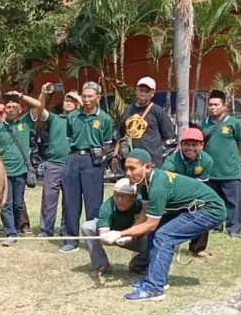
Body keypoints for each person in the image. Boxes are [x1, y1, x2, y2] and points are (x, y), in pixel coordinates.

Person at [118, 149, 227, 301]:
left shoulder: (158, 186)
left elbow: (150, 224)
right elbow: (145, 212)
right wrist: (129, 234)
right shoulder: (144, 182)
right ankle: (157, 279)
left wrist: (119, 234)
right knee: (157, 232)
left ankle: (154, 288)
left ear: (147, 167)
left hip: (210, 210)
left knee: (164, 236)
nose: (128, 173)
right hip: (192, 208)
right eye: (126, 168)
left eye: (132, 168)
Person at [61, 81, 113, 253]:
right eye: (84, 96)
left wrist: (99, 156)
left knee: (93, 203)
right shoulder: (73, 116)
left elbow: (107, 144)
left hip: (93, 162)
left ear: (98, 97)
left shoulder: (104, 118)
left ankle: (93, 239)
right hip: (74, 158)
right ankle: (71, 240)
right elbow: (69, 138)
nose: (87, 99)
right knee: (70, 201)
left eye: (90, 96)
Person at [0, 91, 44, 246]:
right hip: (3, 171)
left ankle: (18, 227)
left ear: (20, 110)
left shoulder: (25, 123)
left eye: (14, 106)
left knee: (18, 203)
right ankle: (11, 232)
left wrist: (21, 96)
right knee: (6, 203)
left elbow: (38, 105)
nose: (10, 109)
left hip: (21, 171)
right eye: (8, 106)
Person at [32, 84, 78, 238]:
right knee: (48, 199)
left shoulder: (81, 120)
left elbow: (90, 111)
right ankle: (46, 230)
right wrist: (44, 93)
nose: (69, 102)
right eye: (67, 100)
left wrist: (79, 100)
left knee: (69, 201)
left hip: (72, 164)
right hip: (53, 164)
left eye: (73, 100)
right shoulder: (55, 118)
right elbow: (39, 110)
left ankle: (66, 230)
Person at [199, 89, 241, 239]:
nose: (212, 107)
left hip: (229, 170)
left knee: (233, 202)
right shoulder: (204, 123)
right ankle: (215, 226)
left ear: (224, 105)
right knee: (213, 201)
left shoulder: (234, 122)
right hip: (209, 171)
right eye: (210, 105)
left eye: (216, 105)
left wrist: (235, 159)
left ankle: (234, 229)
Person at [162, 127, 215, 258]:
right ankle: (165, 243)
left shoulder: (207, 160)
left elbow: (202, 185)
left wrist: (193, 200)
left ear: (202, 145)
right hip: (173, 195)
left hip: (194, 193)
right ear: (180, 145)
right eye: (186, 144)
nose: (190, 148)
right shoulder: (171, 162)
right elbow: (166, 185)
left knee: (205, 210)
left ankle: (198, 248)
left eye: (194, 144)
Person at [80, 178, 148, 278]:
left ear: (133, 197)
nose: (118, 200)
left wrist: (130, 236)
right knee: (87, 227)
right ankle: (101, 264)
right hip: (112, 236)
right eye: (116, 195)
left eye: (123, 196)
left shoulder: (142, 205)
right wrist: (112, 238)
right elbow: (103, 238)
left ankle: (138, 264)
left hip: (134, 236)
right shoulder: (107, 206)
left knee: (156, 237)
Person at [113, 77, 175, 169]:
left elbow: (167, 134)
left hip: (151, 161)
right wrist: (115, 156)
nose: (143, 93)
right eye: (141, 90)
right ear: (136, 90)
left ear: (152, 94)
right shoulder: (127, 110)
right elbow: (121, 135)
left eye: (147, 91)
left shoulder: (157, 111)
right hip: (131, 160)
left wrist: (152, 144)